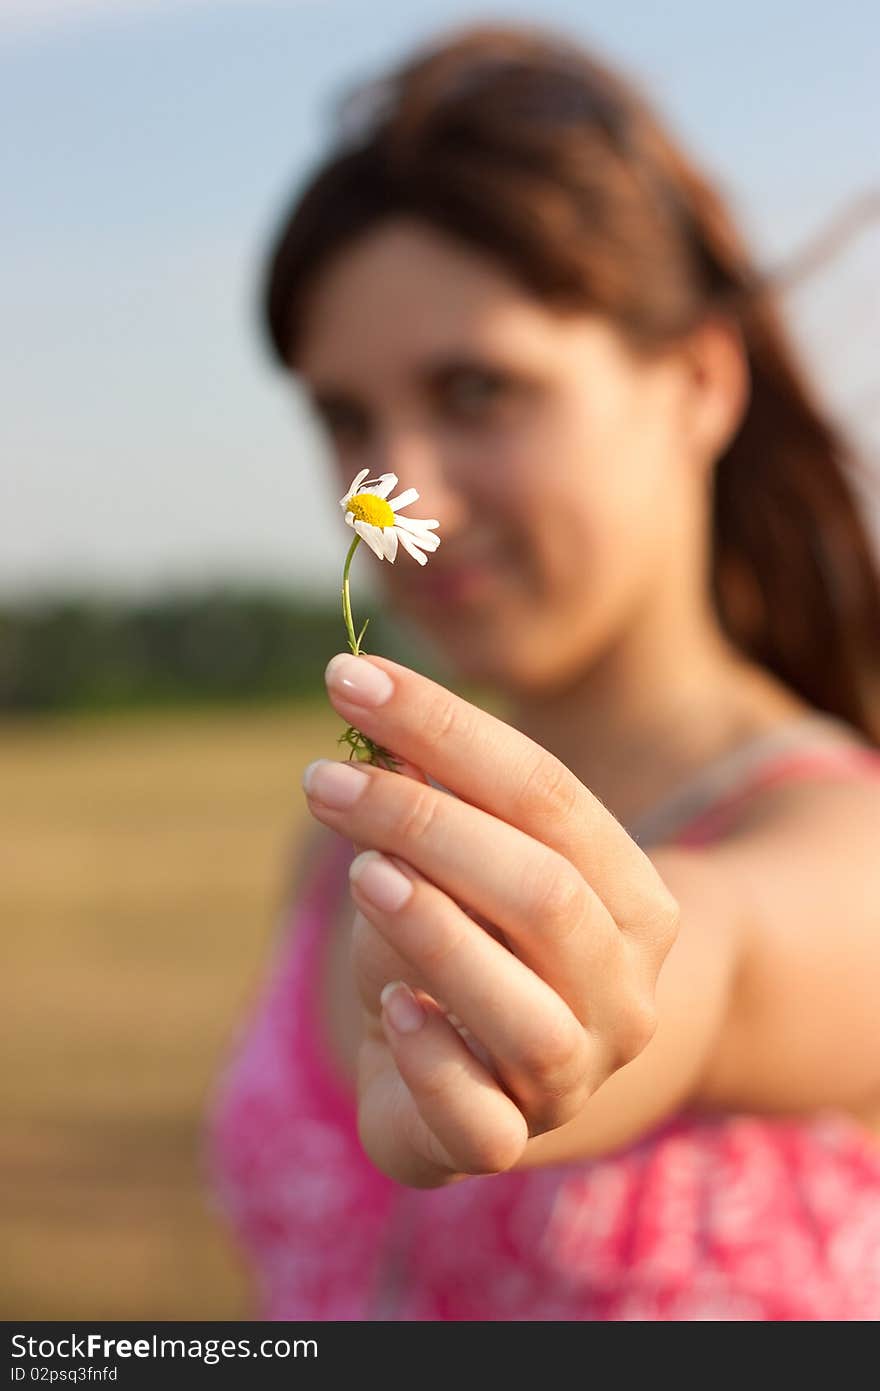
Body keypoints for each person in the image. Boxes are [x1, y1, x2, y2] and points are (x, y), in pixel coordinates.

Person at [205, 23, 880, 1320]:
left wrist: (558, 1030)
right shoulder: (357, 835)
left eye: (476, 391)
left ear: (695, 380)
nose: (392, 492)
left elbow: (704, 959)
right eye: (346, 417)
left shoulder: (842, 845)